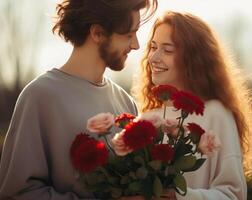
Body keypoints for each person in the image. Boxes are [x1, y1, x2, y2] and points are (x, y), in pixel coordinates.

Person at [0, 0, 157, 199]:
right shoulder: (40, 96)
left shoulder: (125, 102)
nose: (135, 45)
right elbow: (18, 194)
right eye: (128, 35)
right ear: (97, 33)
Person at [133, 11, 252, 200]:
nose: (153, 58)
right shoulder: (147, 119)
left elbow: (234, 194)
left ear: (192, 58)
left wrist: (179, 197)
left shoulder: (216, 114)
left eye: (167, 50)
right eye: (153, 47)